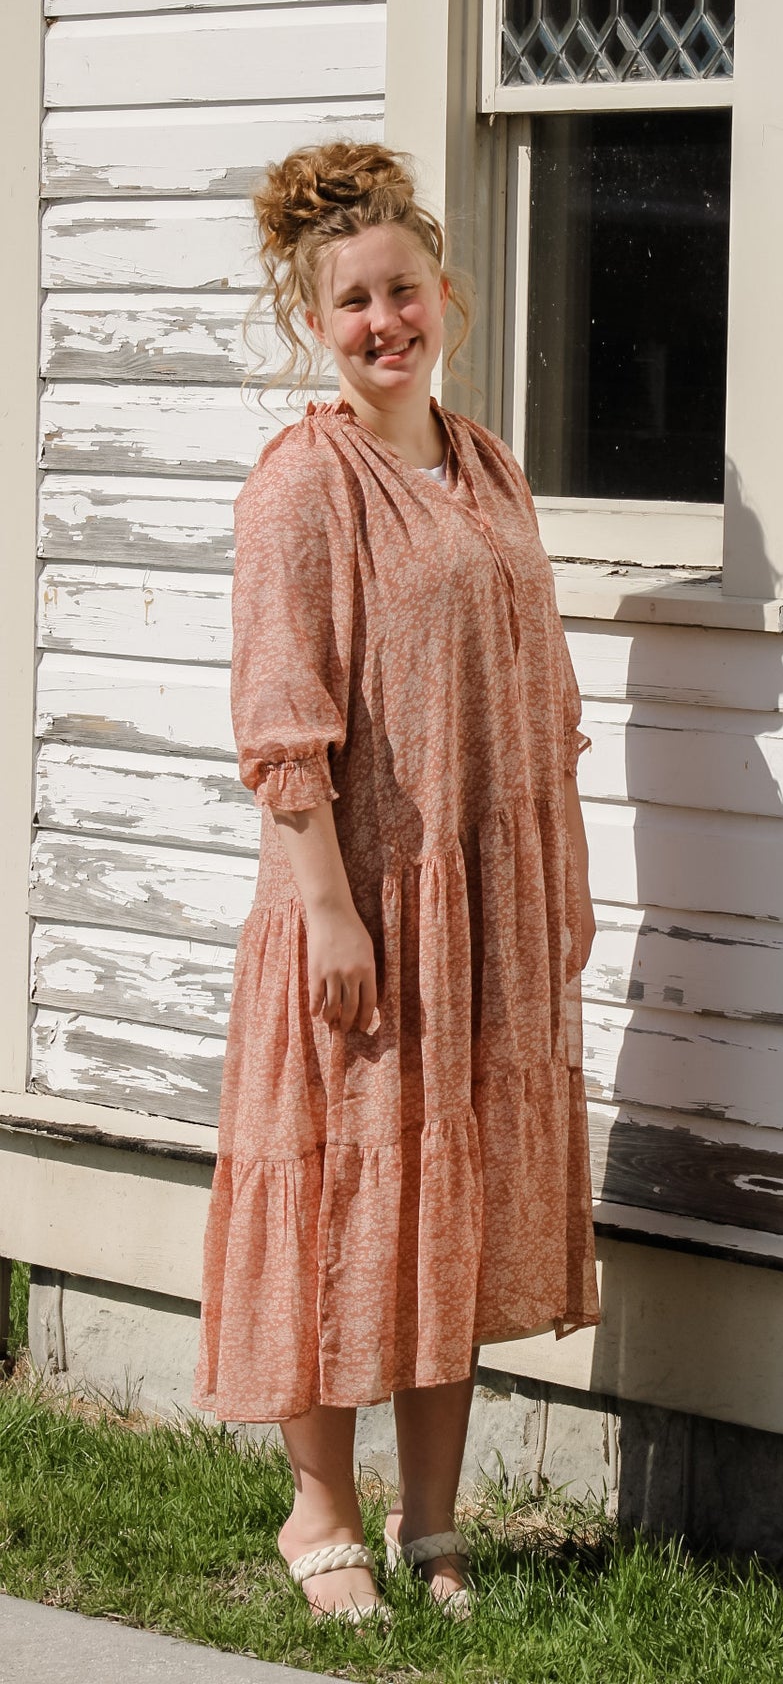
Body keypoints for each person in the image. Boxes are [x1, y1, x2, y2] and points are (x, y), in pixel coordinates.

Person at [191, 141, 601, 1624]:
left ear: (449, 298)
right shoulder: (303, 485)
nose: (386, 322)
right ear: (317, 321)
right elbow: (281, 716)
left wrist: (561, 884)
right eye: (354, 301)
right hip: (357, 907)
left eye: (405, 291)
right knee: (335, 1208)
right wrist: (327, 906)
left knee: (450, 1208)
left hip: (485, 913)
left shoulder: (488, 465)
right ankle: (321, 1518)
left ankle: (437, 1526)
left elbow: (539, 695)